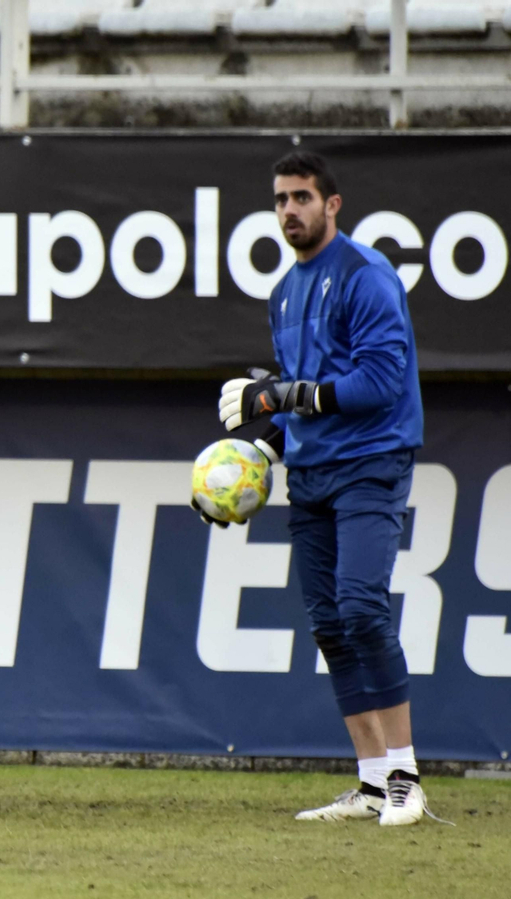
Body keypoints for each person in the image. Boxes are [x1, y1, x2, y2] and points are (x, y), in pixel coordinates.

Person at [208, 151, 435, 826]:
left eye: (302, 197)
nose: (289, 210)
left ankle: (406, 777)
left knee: (362, 609)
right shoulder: (284, 290)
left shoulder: (367, 274)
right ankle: (372, 782)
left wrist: (280, 395)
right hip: (309, 475)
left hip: (371, 463)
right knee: (331, 627)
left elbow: (378, 383)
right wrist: (255, 454)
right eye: (280, 199)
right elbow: (301, 402)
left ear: (332, 205)